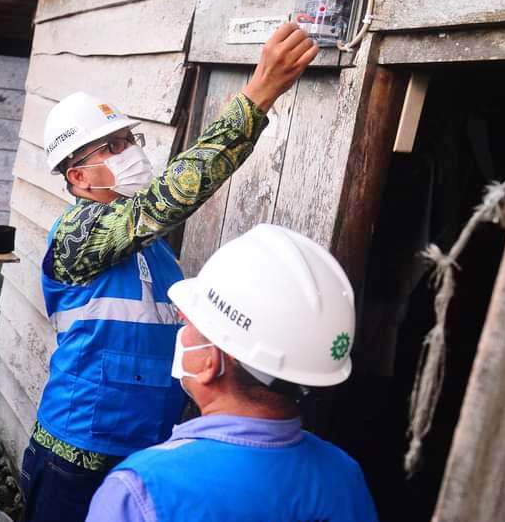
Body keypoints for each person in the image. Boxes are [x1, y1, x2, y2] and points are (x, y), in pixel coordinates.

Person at [21, 23, 319, 522]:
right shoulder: (75, 235)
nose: (130, 151)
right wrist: (257, 95)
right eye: (112, 147)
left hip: (147, 455)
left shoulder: (156, 252)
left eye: (127, 139)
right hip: (75, 458)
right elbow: (166, 199)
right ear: (77, 177)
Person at [85, 224, 379, 522]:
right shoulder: (343, 477)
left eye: (190, 324)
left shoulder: (140, 492)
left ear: (211, 362)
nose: (182, 333)